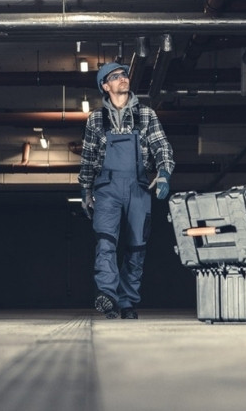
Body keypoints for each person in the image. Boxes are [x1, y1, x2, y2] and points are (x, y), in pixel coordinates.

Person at [79, 62, 175, 319]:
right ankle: (107, 296)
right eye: (115, 77)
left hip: (138, 186)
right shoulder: (96, 119)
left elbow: (161, 146)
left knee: (137, 246)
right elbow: (88, 158)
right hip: (107, 187)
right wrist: (86, 191)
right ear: (105, 86)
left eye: (124, 74)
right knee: (106, 242)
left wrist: (164, 173)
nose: (123, 78)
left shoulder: (146, 114)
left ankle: (128, 301)